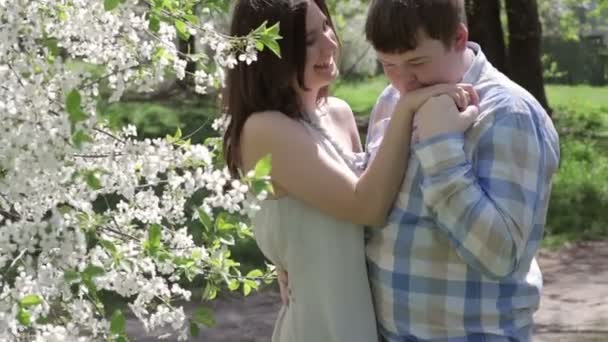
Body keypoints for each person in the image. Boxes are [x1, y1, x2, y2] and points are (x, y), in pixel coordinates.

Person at [222, 0, 479, 341]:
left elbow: (377, 211)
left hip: (369, 318)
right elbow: (366, 207)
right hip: (320, 323)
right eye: (310, 39)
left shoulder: (339, 114)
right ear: (273, 52)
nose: (330, 43)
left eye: (326, 27)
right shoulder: (263, 129)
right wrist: (408, 108)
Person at [362, 0, 561, 341]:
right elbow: (372, 210)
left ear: (458, 38)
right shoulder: (391, 100)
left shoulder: (508, 113)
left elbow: (499, 256)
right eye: (387, 64)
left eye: (416, 62)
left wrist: (440, 148)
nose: (403, 81)